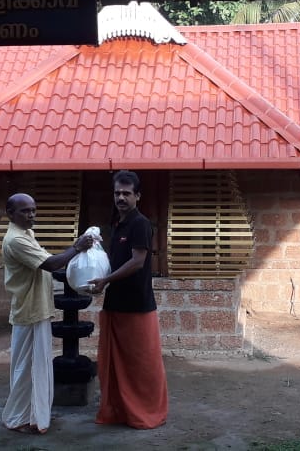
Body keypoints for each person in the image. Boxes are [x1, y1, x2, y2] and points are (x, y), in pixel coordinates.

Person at [0, 192, 93, 435]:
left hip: (37, 308)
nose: (31, 215)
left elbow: (47, 260)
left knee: (38, 366)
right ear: (10, 214)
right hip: (28, 310)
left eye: (33, 210)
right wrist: (77, 247)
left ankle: (34, 416)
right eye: (25, 211)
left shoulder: (25, 234)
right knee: (25, 368)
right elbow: (51, 264)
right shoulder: (15, 241)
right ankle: (16, 417)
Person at [88, 170, 169, 429]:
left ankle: (147, 412)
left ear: (137, 196)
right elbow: (115, 261)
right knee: (116, 363)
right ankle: (120, 410)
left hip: (137, 305)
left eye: (126, 193)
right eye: (117, 193)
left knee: (141, 365)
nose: (121, 197)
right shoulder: (117, 223)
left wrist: (106, 280)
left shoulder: (140, 223)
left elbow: (137, 261)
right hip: (116, 303)